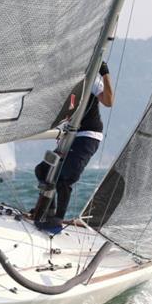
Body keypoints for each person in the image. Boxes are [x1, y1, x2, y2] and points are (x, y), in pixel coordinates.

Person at [34, 61, 114, 229]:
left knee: (64, 178)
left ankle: (58, 218)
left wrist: (105, 74)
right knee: (42, 170)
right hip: (71, 135)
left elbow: (108, 101)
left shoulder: (89, 80)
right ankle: (48, 209)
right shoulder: (61, 85)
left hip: (88, 136)